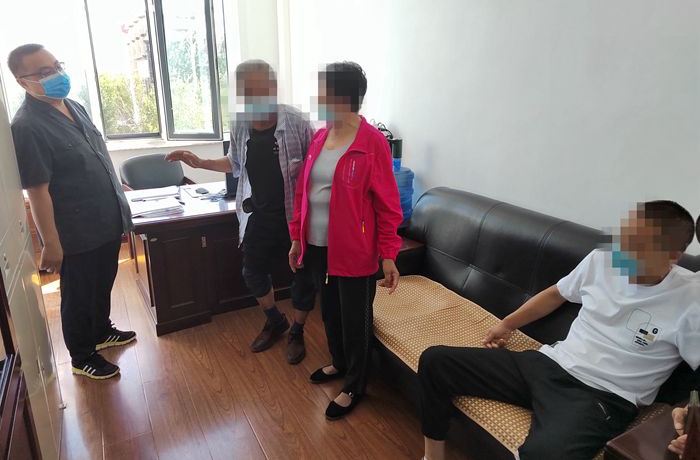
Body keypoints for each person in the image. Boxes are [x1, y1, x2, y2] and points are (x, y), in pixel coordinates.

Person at [418, 201, 700, 460]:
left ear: (673, 255)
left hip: (602, 396)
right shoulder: (602, 259)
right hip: (548, 363)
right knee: (436, 360)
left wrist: (691, 416)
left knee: (544, 454)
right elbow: (556, 294)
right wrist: (507, 325)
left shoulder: (690, 298)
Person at [166, 59, 316, 364]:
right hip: (258, 215)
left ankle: (297, 331)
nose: (254, 98)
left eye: (261, 90)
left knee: (303, 277)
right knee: (252, 271)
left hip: (295, 218)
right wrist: (201, 163)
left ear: (274, 88)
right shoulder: (239, 124)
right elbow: (234, 163)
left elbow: (315, 170)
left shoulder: (297, 123)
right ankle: (275, 320)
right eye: (246, 92)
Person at [9, 44, 136, 380]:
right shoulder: (27, 126)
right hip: (76, 229)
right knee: (78, 293)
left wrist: (116, 186)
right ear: (23, 82)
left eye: (56, 66)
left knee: (103, 281)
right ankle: (82, 355)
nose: (56, 75)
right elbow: (37, 190)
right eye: (44, 72)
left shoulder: (73, 106)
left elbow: (95, 155)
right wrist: (51, 243)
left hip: (107, 217)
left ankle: (101, 330)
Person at [288, 61, 404, 420]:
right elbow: (303, 193)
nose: (317, 98)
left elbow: (388, 204)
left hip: (355, 250)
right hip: (317, 246)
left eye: (323, 92)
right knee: (331, 312)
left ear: (344, 97)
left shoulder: (372, 143)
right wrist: (297, 239)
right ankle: (339, 362)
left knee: (356, 319)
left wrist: (388, 254)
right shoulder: (320, 137)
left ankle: (355, 384)